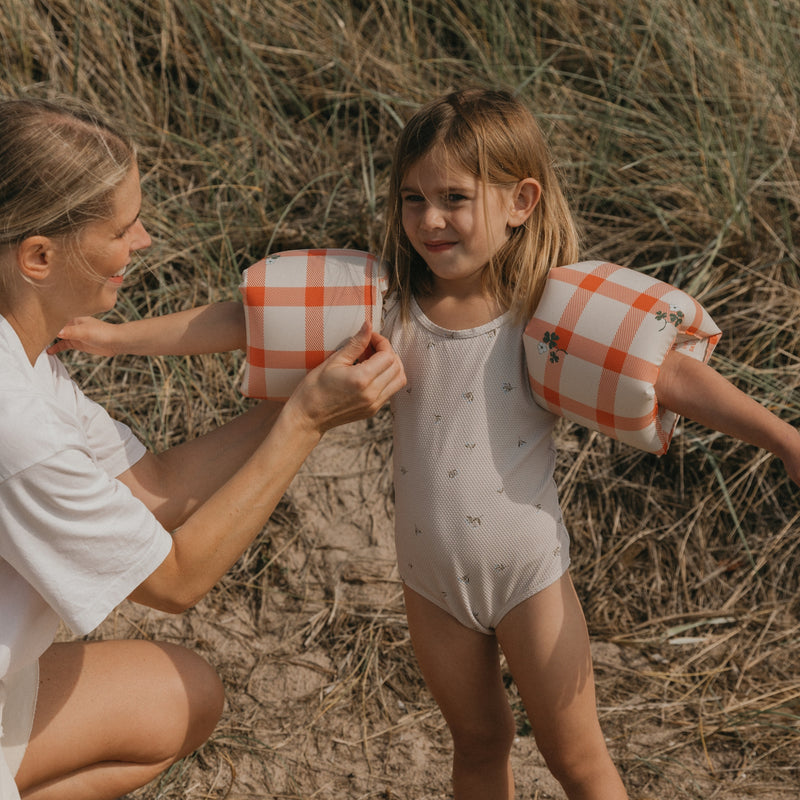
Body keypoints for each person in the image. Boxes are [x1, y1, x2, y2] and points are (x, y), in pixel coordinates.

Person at [51, 90, 800, 800]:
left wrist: (784, 440)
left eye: (455, 199)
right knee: (476, 744)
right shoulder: (387, 306)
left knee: (578, 759)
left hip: (529, 578)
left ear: (520, 203)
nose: (431, 220)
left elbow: (669, 376)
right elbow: (245, 322)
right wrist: (115, 339)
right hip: (429, 582)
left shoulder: (546, 313)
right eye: (414, 199)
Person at [0, 96, 405, 800]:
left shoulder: (26, 356)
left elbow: (155, 485)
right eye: (123, 228)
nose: (146, 240)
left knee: (183, 694)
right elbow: (176, 581)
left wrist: (310, 395)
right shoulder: (14, 423)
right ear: (39, 256)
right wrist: (305, 421)